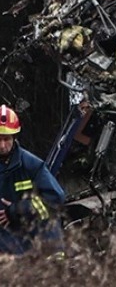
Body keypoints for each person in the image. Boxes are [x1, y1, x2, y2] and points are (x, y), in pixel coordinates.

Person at [0, 104, 66, 254]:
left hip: (33, 238)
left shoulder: (31, 165)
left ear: (14, 137)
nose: (2, 145)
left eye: (6, 139)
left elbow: (55, 198)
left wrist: (19, 209)